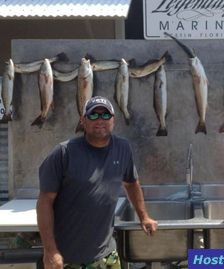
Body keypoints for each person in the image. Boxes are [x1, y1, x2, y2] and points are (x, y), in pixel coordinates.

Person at [36, 96, 158, 268]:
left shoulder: (122, 148)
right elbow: (44, 202)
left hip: (108, 256)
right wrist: (50, 251)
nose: (100, 120)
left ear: (113, 120)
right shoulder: (64, 153)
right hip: (68, 259)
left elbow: (131, 183)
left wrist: (144, 217)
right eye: (93, 115)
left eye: (105, 115)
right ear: (83, 120)